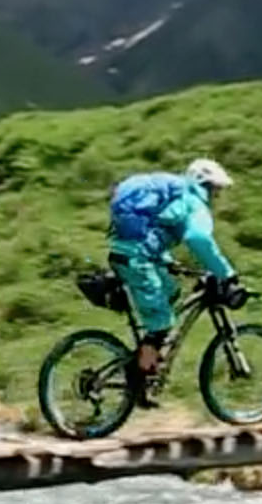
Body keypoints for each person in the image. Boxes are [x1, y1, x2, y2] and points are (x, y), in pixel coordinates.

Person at [106, 158, 247, 398]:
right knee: (162, 323)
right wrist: (228, 274)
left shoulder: (176, 196)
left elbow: (154, 231)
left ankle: (148, 356)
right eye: (217, 190)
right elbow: (198, 239)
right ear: (208, 186)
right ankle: (136, 380)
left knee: (171, 291)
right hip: (137, 260)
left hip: (126, 254)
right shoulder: (194, 202)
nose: (217, 197)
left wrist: (168, 262)